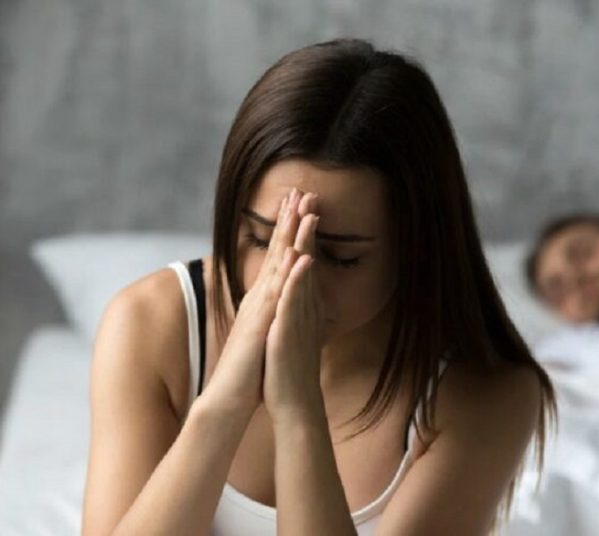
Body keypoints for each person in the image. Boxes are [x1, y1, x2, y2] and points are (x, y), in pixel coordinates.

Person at [81, 38, 556, 535]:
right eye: (263, 239)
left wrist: (297, 412)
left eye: (341, 257)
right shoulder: (152, 323)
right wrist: (222, 406)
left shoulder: (487, 394)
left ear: (417, 247)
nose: (292, 279)